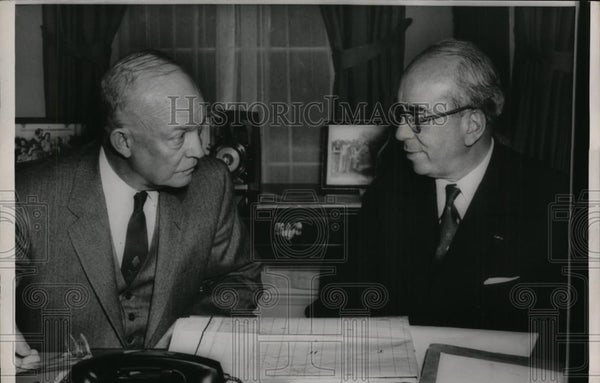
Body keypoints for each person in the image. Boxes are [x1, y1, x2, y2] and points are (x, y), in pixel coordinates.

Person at [309, 39, 568, 334]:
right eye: (402, 115)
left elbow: (568, 333)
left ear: (472, 125)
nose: (400, 133)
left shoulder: (552, 200)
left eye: (418, 118)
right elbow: (340, 296)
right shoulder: (388, 192)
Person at [15, 50, 263, 352]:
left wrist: (191, 333)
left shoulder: (212, 183)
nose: (199, 150)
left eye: (199, 129)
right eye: (179, 136)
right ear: (124, 142)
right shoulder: (27, 195)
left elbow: (238, 278)